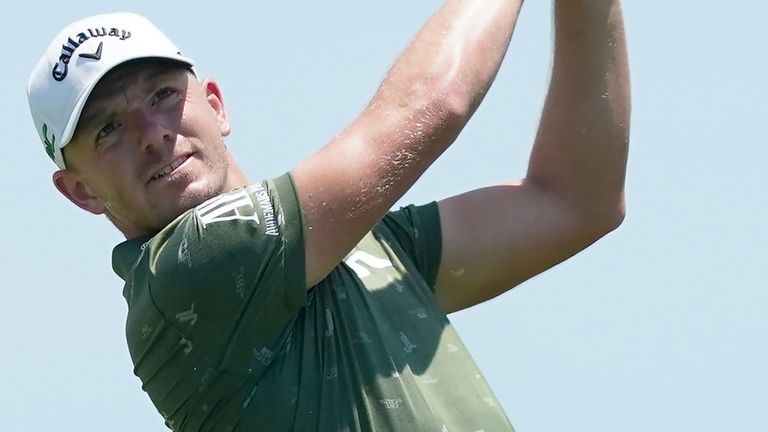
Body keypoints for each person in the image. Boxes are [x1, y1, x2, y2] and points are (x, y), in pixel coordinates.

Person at [27, 0, 630, 430]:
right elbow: (433, 105)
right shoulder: (186, 274)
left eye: (163, 95)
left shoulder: (359, 245)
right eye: (109, 129)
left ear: (215, 104)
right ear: (80, 192)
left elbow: (575, 201)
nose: (153, 135)